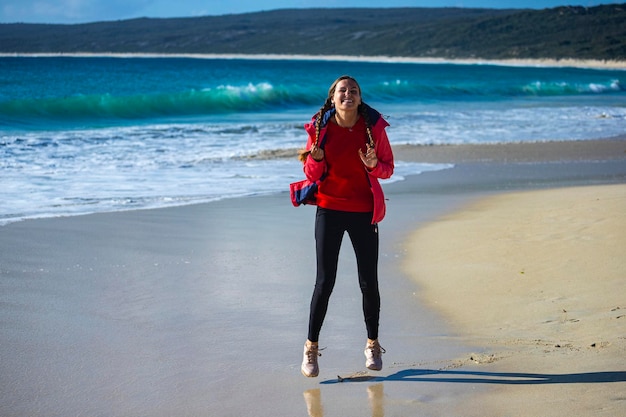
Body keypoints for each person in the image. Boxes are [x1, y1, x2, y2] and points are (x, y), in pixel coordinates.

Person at [299, 75, 394, 378]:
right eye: (343, 91)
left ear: (359, 98)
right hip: (329, 208)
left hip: (363, 211)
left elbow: (388, 169)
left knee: (369, 281)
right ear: (333, 97)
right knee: (325, 282)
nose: (348, 95)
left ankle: (372, 344)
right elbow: (311, 173)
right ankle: (311, 348)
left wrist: (372, 166)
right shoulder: (320, 128)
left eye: (354, 91)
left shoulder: (372, 128)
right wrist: (316, 158)